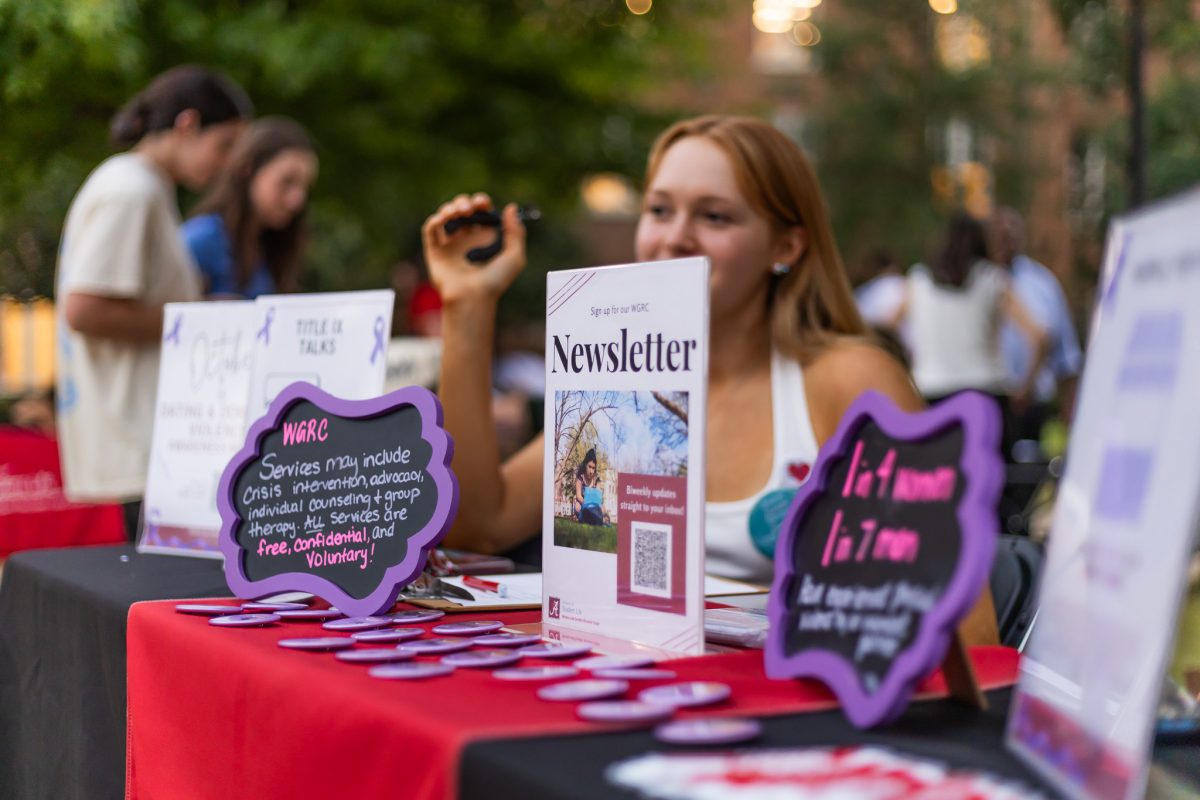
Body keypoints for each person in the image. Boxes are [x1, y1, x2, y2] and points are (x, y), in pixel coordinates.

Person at [423, 115, 922, 580]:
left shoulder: (851, 379)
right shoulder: (616, 381)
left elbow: (956, 622)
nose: (676, 238)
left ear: (785, 247)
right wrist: (468, 305)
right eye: (659, 210)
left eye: (715, 216)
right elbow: (477, 525)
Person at [55, 65, 252, 538]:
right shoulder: (131, 190)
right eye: (223, 145)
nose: (225, 164)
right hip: (136, 444)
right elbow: (84, 309)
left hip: (144, 443)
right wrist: (201, 320)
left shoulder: (144, 187)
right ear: (187, 125)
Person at [890, 213, 1048, 462]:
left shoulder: (918, 281)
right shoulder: (993, 279)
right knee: (990, 488)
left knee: (938, 486)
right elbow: (1039, 336)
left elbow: (886, 328)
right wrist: (1025, 389)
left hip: (931, 395)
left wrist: (904, 372)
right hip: (985, 396)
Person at [183, 117, 317, 298]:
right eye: (286, 181)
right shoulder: (201, 239)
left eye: (304, 186)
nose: (298, 199)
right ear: (248, 169)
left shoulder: (270, 246)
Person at [990, 207, 1083, 434]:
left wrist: (1069, 419)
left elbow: (1066, 357)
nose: (1007, 238)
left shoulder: (1042, 284)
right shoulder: (974, 282)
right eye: (1000, 233)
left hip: (1034, 409)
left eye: (1012, 232)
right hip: (987, 405)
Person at [574, 448, 605, 525]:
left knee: (603, 509)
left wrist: (596, 506)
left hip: (595, 505)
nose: (591, 471)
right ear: (585, 465)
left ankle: (592, 518)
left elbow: (599, 497)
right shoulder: (580, 478)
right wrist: (587, 504)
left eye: (593, 468)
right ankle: (588, 518)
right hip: (583, 504)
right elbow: (578, 496)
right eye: (589, 467)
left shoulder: (596, 479)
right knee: (577, 506)